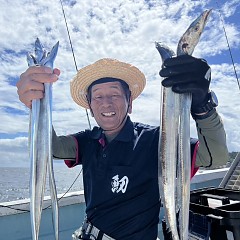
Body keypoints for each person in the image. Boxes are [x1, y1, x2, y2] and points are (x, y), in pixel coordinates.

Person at [17, 56, 228, 240]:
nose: (106, 103)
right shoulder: (88, 140)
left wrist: (202, 105)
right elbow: (50, 148)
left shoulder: (156, 140)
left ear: (130, 103)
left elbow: (214, 157)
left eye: (115, 94)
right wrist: (36, 105)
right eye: (97, 96)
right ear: (90, 108)